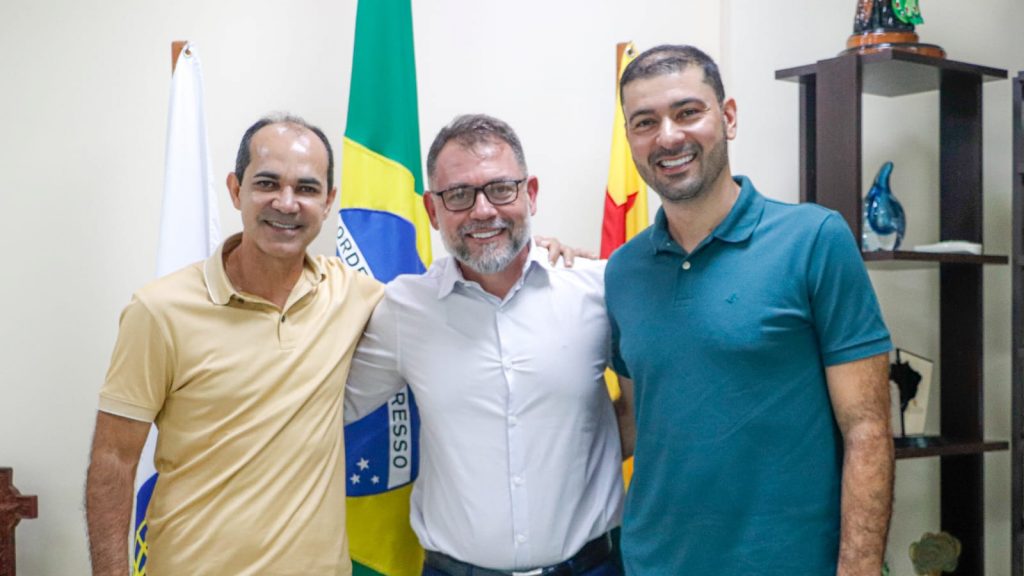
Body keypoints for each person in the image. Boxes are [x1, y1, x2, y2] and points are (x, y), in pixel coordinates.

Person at [605, 45, 894, 575]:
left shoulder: (814, 240)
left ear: (728, 117)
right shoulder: (622, 271)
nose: (668, 136)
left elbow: (868, 429)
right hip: (653, 563)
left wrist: (859, 567)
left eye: (688, 112)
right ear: (631, 141)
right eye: (645, 122)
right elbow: (639, 420)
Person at [85, 115, 384, 575]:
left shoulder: (351, 294)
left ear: (328, 203)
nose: (286, 203)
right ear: (234, 189)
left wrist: (537, 256)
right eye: (268, 183)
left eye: (306, 189)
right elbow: (113, 460)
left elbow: (442, 303)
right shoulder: (160, 310)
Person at [344, 114, 629, 576]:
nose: (482, 211)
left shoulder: (596, 290)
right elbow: (323, 407)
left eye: (501, 189)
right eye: (459, 195)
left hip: (592, 567)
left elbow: (650, 411)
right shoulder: (403, 310)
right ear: (432, 210)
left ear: (530, 194)